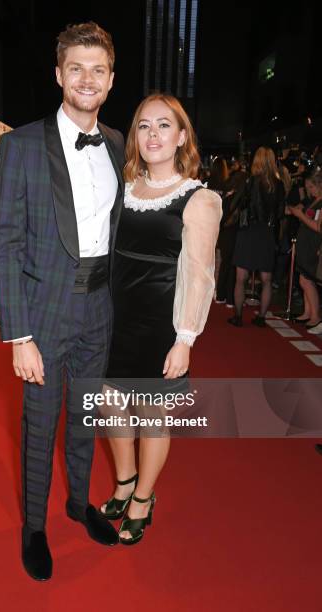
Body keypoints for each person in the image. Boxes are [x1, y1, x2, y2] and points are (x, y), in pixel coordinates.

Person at [0, 22, 124, 581]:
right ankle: (35, 527)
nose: (87, 79)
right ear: (58, 75)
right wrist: (19, 335)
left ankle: (77, 504)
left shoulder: (118, 144)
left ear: (111, 79)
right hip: (44, 311)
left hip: (100, 307)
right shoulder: (19, 144)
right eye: (77, 68)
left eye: (97, 69)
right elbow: (6, 242)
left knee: (85, 416)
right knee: (40, 425)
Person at [99, 93, 222, 545]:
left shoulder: (198, 198)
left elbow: (200, 275)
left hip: (159, 325)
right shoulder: (123, 187)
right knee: (108, 405)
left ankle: (143, 498)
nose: (153, 134)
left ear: (182, 136)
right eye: (144, 126)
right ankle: (125, 480)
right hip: (113, 319)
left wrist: (185, 338)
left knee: (152, 414)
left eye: (164, 125)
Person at [228, 147, 285, 327]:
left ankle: (238, 316)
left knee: (240, 278)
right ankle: (261, 317)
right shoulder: (279, 184)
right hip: (267, 233)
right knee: (267, 279)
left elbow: (238, 203)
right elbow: (281, 213)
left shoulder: (250, 181)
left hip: (248, 231)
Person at [289, 169, 322, 334]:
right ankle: (308, 313)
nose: (310, 189)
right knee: (303, 279)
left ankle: (316, 316)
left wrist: (301, 216)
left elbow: (318, 227)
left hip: (312, 245)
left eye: (312, 186)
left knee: (307, 280)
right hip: (305, 244)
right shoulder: (314, 200)